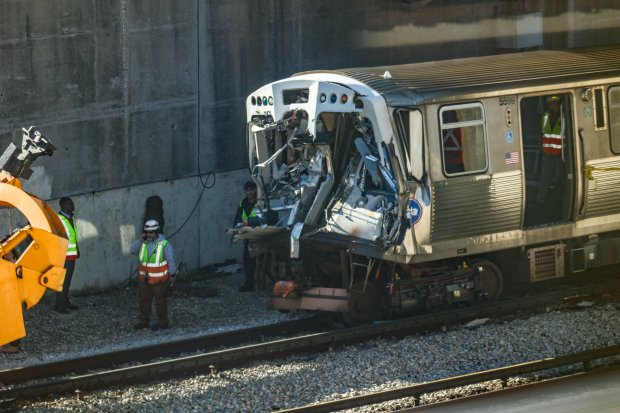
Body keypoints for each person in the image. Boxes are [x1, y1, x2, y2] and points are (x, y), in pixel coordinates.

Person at [130, 220, 177, 330]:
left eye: (151, 232)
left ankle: (162, 323)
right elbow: (132, 250)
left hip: (159, 280)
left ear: (157, 232)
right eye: (147, 232)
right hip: (144, 279)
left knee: (161, 301)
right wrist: (139, 240)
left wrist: (173, 275)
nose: (148, 234)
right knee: (143, 300)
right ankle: (144, 321)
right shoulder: (144, 242)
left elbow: (171, 260)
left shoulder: (165, 244)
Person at [536, 95, 565, 208]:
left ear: (557, 104)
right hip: (547, 153)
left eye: (550, 103)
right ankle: (541, 201)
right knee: (545, 178)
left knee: (560, 177)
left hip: (560, 154)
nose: (548, 106)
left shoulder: (564, 117)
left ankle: (558, 199)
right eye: (548, 104)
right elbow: (540, 132)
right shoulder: (545, 116)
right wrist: (540, 146)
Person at [233, 181, 261, 292]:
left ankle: (256, 281)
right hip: (247, 235)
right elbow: (238, 217)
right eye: (247, 190)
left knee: (257, 260)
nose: (249, 192)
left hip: (258, 235)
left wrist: (251, 223)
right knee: (247, 261)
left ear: (255, 190)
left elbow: (261, 217)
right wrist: (238, 227)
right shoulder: (243, 203)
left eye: (251, 189)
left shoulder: (260, 202)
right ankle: (249, 283)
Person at [55, 197, 79, 314]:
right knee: (62, 281)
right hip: (63, 256)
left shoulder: (70, 218)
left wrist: (77, 250)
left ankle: (65, 301)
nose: (73, 205)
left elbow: (73, 237)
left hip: (71, 255)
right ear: (64, 206)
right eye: (70, 203)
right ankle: (59, 305)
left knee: (67, 281)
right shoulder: (59, 219)